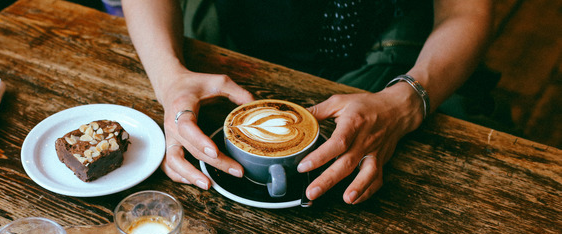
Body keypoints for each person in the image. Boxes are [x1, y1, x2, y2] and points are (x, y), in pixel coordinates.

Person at [121, 0, 493, 204]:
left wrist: (404, 104)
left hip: (394, 61)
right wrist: (169, 78)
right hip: (229, 49)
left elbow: (466, 11)